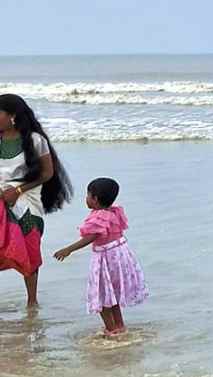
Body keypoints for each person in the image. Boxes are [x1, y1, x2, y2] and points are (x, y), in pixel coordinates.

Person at [0, 94, 71, 307]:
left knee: (29, 246)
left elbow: (47, 173)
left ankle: (32, 301)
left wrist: (18, 189)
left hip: (27, 199)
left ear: (12, 116)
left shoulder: (34, 140)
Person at [52, 178, 148, 335]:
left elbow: (91, 237)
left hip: (106, 258)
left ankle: (111, 330)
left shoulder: (99, 216)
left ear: (95, 199)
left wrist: (68, 249)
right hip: (120, 255)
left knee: (102, 295)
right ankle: (119, 326)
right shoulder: (114, 212)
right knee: (113, 294)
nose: (86, 198)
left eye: (88, 195)